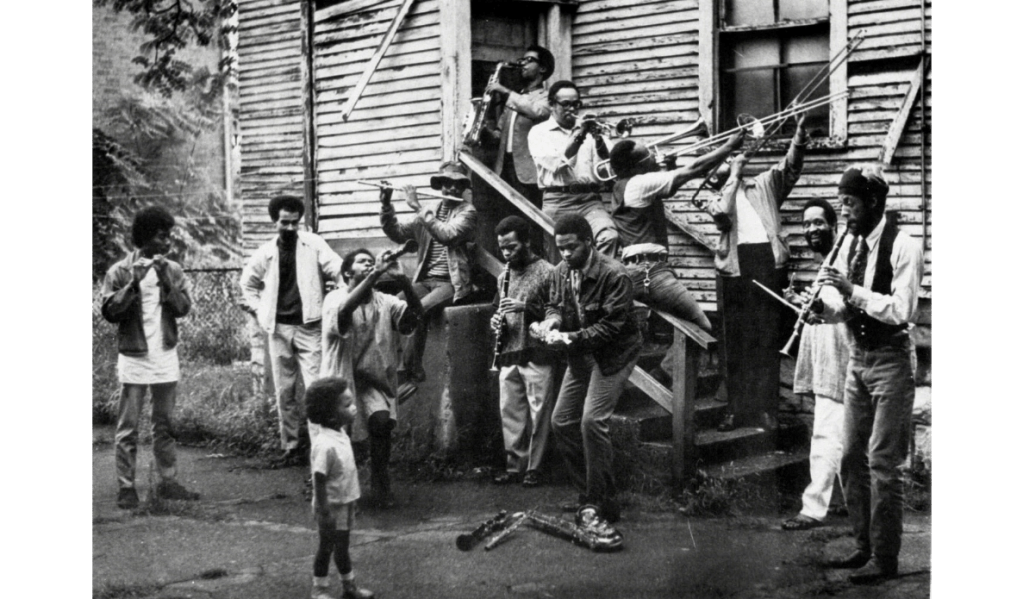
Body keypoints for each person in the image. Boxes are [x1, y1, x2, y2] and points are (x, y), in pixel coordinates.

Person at [815, 165, 924, 583]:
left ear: (874, 203)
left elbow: (901, 310)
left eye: (851, 203)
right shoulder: (850, 244)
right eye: (841, 202)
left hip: (892, 360)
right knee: (849, 457)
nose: (844, 212)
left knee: (883, 463)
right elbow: (845, 307)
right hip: (857, 357)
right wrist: (822, 311)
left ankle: (886, 558)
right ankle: (863, 547)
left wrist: (849, 289)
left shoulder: (904, 245)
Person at [531, 215, 641, 537]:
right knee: (561, 421)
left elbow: (611, 327)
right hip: (581, 353)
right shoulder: (561, 271)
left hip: (614, 354)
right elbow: (554, 305)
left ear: (589, 242)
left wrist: (571, 338)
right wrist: (551, 322)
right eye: (559, 248)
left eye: (571, 247)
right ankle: (588, 495)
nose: (564, 254)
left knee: (592, 421)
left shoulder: (615, 274)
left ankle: (603, 500)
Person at [706, 115, 809, 432]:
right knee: (736, 343)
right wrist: (732, 176)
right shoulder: (715, 198)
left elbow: (790, 167)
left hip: (767, 263)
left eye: (728, 161)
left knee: (766, 339)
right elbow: (723, 215)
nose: (724, 166)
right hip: (736, 270)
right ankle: (736, 410)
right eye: (720, 164)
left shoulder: (764, 183)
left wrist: (800, 134)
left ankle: (766, 410)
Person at [101, 206, 199, 509]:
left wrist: (165, 281)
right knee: (128, 425)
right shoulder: (119, 271)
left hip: (165, 354)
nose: (167, 242)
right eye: (161, 236)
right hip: (134, 356)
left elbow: (183, 309)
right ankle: (126, 487)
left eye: (168, 235)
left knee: (165, 423)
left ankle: (167, 481)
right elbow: (110, 312)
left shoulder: (172, 269)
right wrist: (134, 284)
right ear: (145, 237)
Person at [607, 133, 745, 337]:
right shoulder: (638, 184)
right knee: (703, 326)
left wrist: (669, 169)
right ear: (637, 167)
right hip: (651, 272)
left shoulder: (624, 185)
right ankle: (666, 368)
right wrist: (729, 146)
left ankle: (664, 367)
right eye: (649, 156)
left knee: (682, 325)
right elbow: (694, 169)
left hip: (638, 270)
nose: (655, 156)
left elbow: (664, 191)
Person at [241, 195, 343, 465]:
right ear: (275, 221)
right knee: (284, 390)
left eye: (294, 223)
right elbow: (247, 284)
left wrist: (342, 292)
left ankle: (320, 449)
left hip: (310, 327)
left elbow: (336, 267)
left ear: (300, 222)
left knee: (315, 389)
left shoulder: (313, 244)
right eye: (284, 223)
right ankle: (291, 446)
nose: (289, 228)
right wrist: (259, 310)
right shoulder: (265, 252)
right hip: (278, 329)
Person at [321, 248, 423, 508]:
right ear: (347, 272)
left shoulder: (385, 301)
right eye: (362, 262)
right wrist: (376, 272)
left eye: (371, 261)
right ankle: (335, 489)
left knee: (381, 423)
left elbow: (414, 317)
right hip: (341, 378)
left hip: (373, 379)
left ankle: (380, 485)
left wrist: (403, 281)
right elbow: (344, 314)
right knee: (340, 438)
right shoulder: (334, 297)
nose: (369, 264)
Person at [780, 199, 851, 531]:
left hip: (842, 356)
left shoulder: (845, 257)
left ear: (834, 225)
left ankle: (813, 508)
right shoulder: (829, 261)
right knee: (842, 434)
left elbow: (842, 304)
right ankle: (846, 501)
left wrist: (819, 304)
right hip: (829, 356)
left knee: (827, 432)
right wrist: (801, 303)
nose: (811, 230)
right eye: (806, 224)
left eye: (818, 223)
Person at [379, 162, 478, 384]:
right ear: (440, 185)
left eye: (458, 185)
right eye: (447, 184)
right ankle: (390, 363)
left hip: (452, 283)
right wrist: (386, 204)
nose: (452, 189)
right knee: (393, 306)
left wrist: (417, 206)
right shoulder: (429, 212)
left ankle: (410, 371)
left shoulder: (468, 212)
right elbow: (397, 232)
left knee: (418, 310)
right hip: (425, 280)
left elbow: (448, 235)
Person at [489, 216, 556, 487]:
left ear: (527, 242)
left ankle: (535, 467)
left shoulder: (548, 271)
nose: (506, 254)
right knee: (511, 411)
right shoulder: (503, 275)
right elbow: (498, 309)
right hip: (509, 351)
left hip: (538, 350)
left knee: (539, 413)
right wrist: (496, 321)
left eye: (512, 247)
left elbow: (559, 310)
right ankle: (514, 465)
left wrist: (525, 307)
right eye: (502, 249)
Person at [528, 80, 619, 258]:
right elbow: (558, 163)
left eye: (576, 104)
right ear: (552, 105)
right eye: (566, 104)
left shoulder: (590, 130)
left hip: (590, 201)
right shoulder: (539, 132)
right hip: (558, 201)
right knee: (559, 257)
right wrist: (580, 134)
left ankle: (595, 284)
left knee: (609, 237)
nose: (572, 109)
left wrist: (599, 140)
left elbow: (610, 166)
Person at [306, 377, 375, 599]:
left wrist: (352, 502)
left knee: (343, 548)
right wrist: (323, 509)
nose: (353, 408)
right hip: (330, 507)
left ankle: (349, 587)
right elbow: (318, 478)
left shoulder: (341, 435)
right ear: (329, 414)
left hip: (344, 504)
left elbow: (345, 474)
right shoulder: (324, 444)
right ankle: (320, 589)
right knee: (326, 548)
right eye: (346, 405)